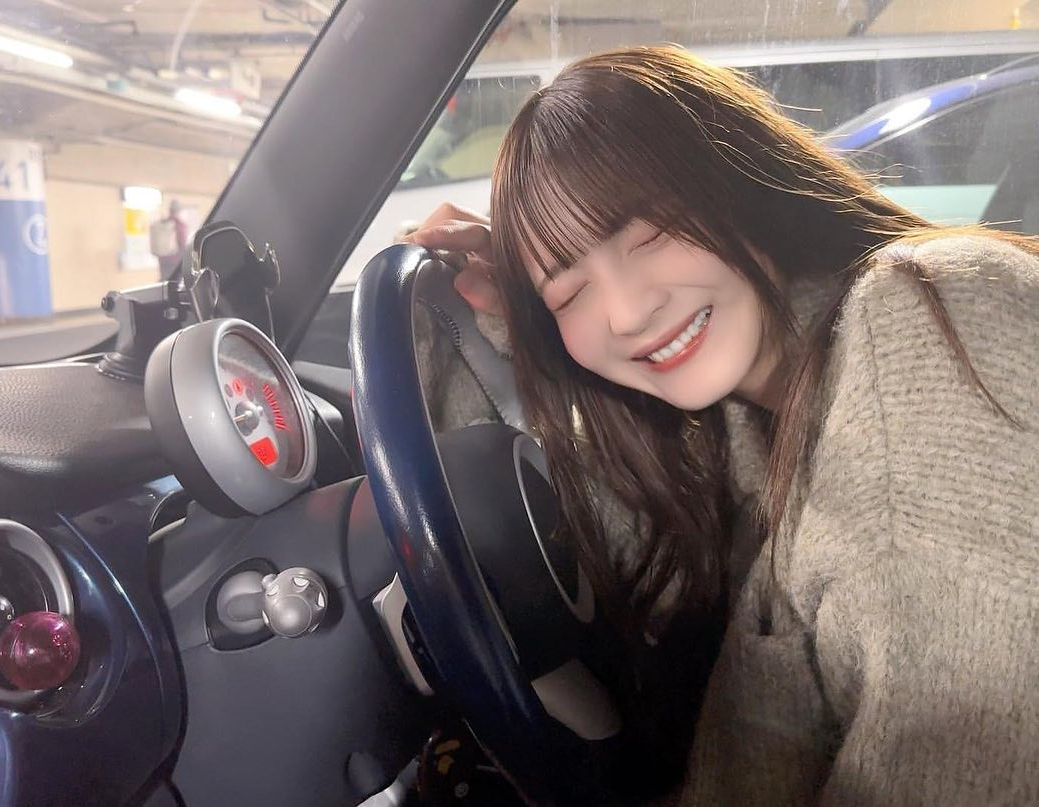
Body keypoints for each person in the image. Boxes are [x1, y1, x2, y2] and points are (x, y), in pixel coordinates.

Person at [404, 46, 1038, 805]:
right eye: (567, 294)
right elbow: (596, 542)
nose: (628, 312)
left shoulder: (927, 315)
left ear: (738, 182)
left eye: (649, 234)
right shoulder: (739, 432)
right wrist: (468, 328)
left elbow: (972, 746)